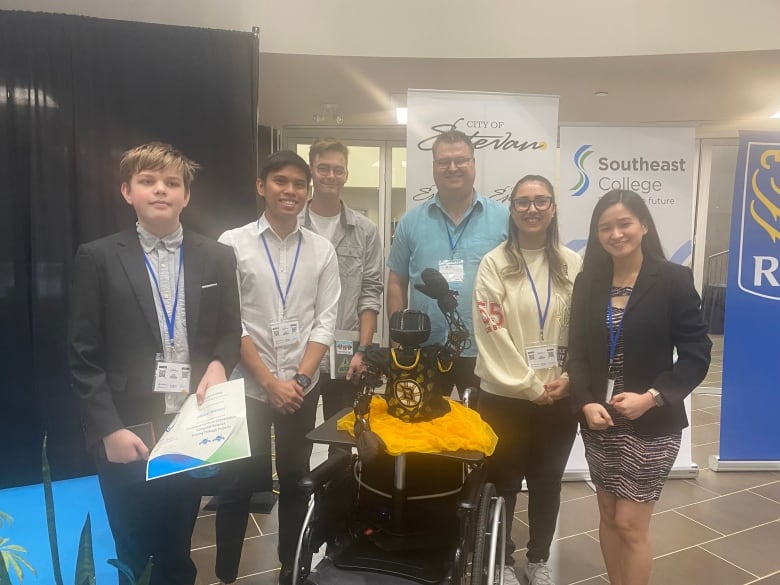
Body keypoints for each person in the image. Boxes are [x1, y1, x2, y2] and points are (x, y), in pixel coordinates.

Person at [68, 142, 242, 585]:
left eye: (172, 183)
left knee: (176, 547)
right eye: (148, 181)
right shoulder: (98, 257)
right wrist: (108, 428)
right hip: (127, 429)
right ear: (127, 191)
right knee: (131, 548)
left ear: (187, 195)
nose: (160, 190)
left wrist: (221, 364)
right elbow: (83, 356)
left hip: (188, 425)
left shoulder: (217, 256)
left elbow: (228, 332)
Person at [568, 189, 711, 585]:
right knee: (609, 516)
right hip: (601, 423)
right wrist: (584, 402)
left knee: (630, 523)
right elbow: (576, 352)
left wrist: (652, 397)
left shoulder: (672, 279)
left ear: (644, 225)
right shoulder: (589, 281)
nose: (616, 234)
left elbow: (698, 352)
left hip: (652, 422)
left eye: (624, 223)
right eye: (605, 227)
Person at [217, 150, 340, 585]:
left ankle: (293, 567)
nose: (290, 191)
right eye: (281, 182)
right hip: (248, 387)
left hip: (300, 390)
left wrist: (300, 380)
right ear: (261, 186)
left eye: (298, 184)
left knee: (295, 478)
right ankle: (226, 574)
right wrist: (270, 382)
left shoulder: (322, 249)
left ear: (308, 192)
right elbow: (230, 322)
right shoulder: (232, 243)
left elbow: (325, 320)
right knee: (234, 483)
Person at [473, 175, 581, 585]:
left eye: (541, 201)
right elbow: (491, 330)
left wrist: (569, 378)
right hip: (505, 396)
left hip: (559, 396)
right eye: (523, 202)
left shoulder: (573, 264)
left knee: (547, 482)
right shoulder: (494, 264)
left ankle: (538, 560)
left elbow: (585, 330)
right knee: (502, 481)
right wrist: (530, 386)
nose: (532, 209)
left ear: (553, 208)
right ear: (512, 210)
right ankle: (501, 559)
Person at [387, 130, 508, 404]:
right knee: (423, 435)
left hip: (486, 349)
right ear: (434, 167)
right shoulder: (411, 221)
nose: (453, 167)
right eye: (444, 161)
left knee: (485, 435)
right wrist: (397, 341)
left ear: (474, 164)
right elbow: (396, 281)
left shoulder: (503, 218)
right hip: (422, 347)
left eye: (461, 160)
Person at [301, 137, 382, 450]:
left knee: (344, 442)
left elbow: (370, 293)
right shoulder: (293, 225)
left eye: (338, 169)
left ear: (347, 174)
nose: (330, 176)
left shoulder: (364, 231)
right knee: (298, 441)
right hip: (299, 355)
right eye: (323, 168)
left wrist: (363, 350)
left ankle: (336, 500)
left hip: (346, 359)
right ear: (312, 171)